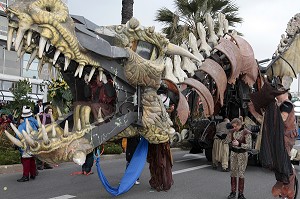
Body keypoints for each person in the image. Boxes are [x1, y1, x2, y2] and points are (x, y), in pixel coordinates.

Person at [249, 82, 297, 199]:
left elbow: (282, 118)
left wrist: (270, 108)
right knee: (278, 163)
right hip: (280, 138)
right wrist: (254, 112)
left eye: (278, 93)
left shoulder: (287, 104)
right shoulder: (278, 106)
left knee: (284, 164)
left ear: (284, 93)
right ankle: (284, 188)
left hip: (285, 139)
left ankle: (289, 189)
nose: (276, 96)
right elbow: (266, 122)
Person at [225, 118, 252, 199]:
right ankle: (233, 192)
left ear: (239, 125)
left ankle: (240, 194)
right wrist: (228, 138)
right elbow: (226, 141)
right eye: (233, 126)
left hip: (242, 154)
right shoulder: (232, 131)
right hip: (233, 153)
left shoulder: (246, 133)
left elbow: (249, 146)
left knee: (241, 173)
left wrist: (239, 144)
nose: (234, 128)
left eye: (235, 126)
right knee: (233, 172)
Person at [16, 106, 39, 182]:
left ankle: (26, 176)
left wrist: (16, 144)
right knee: (32, 159)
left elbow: (18, 136)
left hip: (25, 145)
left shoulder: (22, 125)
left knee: (26, 160)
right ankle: (33, 174)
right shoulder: (35, 122)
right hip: (34, 144)